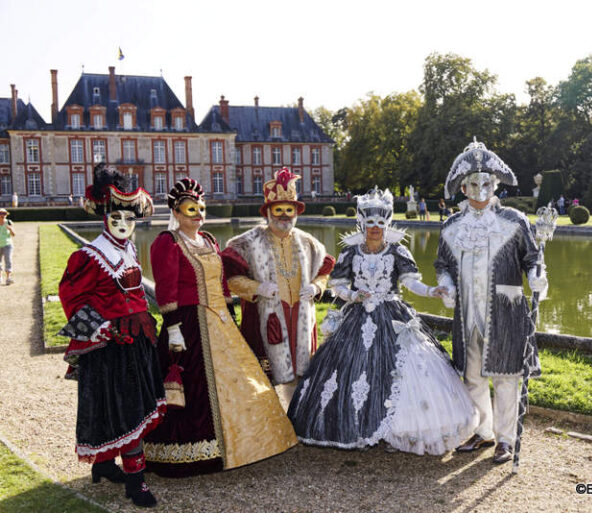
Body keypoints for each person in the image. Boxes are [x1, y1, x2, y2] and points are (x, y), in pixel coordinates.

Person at [288, 188, 476, 454]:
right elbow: (337, 285)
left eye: (379, 223)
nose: (374, 228)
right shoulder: (350, 252)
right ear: (362, 224)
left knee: (402, 369)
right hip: (357, 316)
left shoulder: (398, 251)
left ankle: (400, 429)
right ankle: (360, 427)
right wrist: (353, 295)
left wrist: (432, 291)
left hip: (392, 315)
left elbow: (411, 282)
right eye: (370, 223)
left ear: (387, 224)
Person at [144, 178, 297, 477]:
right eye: (190, 209)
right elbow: (166, 287)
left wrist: (232, 311)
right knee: (193, 390)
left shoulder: (211, 240)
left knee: (246, 380)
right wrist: (173, 327)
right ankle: (195, 453)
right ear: (175, 212)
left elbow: (222, 283)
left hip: (220, 321)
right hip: (188, 324)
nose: (197, 215)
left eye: (201, 208)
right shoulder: (167, 242)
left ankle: (252, 444)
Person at [435, 139, 548, 468]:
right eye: (472, 183)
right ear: (463, 187)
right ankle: (482, 431)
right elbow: (442, 265)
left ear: (495, 184)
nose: (479, 189)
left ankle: (506, 439)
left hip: (506, 311)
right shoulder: (451, 227)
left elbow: (532, 259)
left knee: (506, 376)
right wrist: (446, 285)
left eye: (486, 182)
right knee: (472, 376)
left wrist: (538, 275)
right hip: (467, 311)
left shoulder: (514, 221)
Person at [58, 163, 165, 508]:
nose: (123, 226)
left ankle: (104, 465)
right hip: (109, 346)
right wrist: (103, 329)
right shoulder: (88, 256)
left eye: (130, 221)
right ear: (105, 217)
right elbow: (71, 299)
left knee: (124, 406)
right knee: (126, 409)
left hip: (137, 341)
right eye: (117, 219)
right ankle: (136, 484)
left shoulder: (129, 250)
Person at [222, 167, 336, 408]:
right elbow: (231, 278)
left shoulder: (308, 242)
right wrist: (257, 287)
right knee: (267, 377)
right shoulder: (247, 242)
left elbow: (324, 272)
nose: (284, 215)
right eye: (279, 210)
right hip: (267, 317)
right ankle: (270, 421)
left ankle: (299, 413)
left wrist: (316, 287)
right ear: (268, 212)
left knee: (301, 374)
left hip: (302, 318)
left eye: (289, 210)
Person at [0, 208, 15, 285]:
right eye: (1, 213)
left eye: (4, 214)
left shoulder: (9, 222)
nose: (3, 215)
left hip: (8, 244)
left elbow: (14, 234)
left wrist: (11, 229)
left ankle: (8, 278)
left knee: (8, 260)